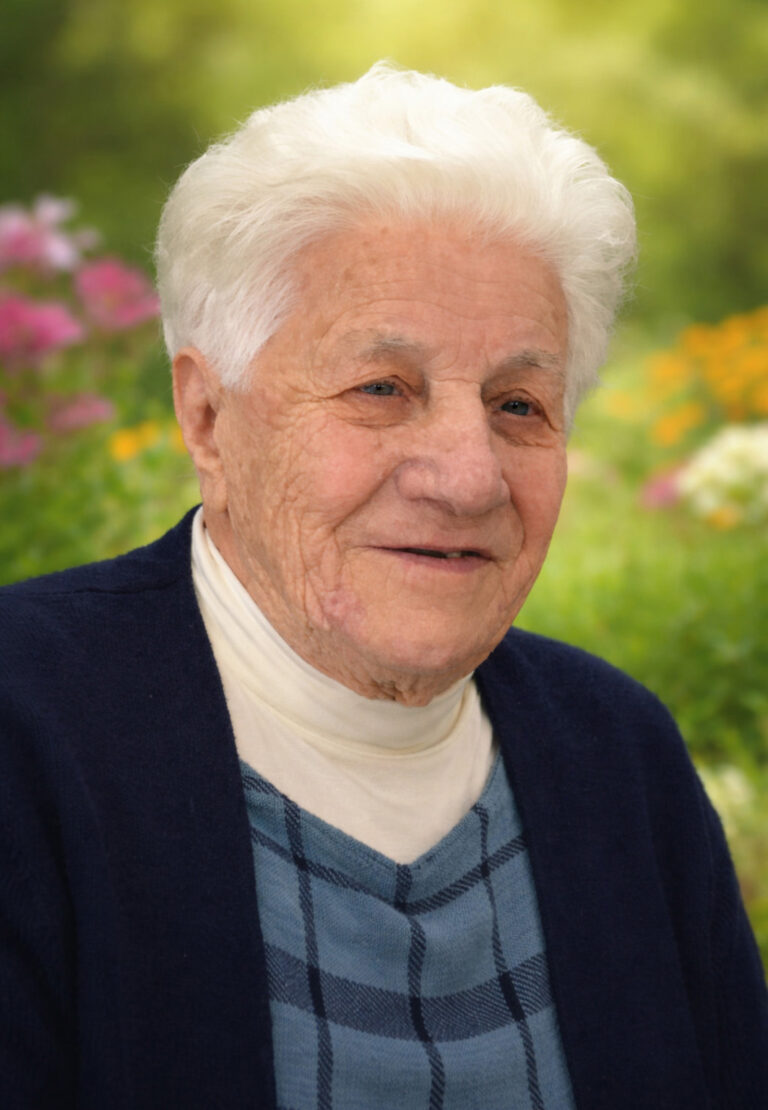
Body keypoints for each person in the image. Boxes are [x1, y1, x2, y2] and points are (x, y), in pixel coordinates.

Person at [1, 63, 766, 1110]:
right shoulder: (24, 729)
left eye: (519, 404)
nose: (468, 477)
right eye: (381, 388)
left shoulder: (621, 756)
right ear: (208, 418)